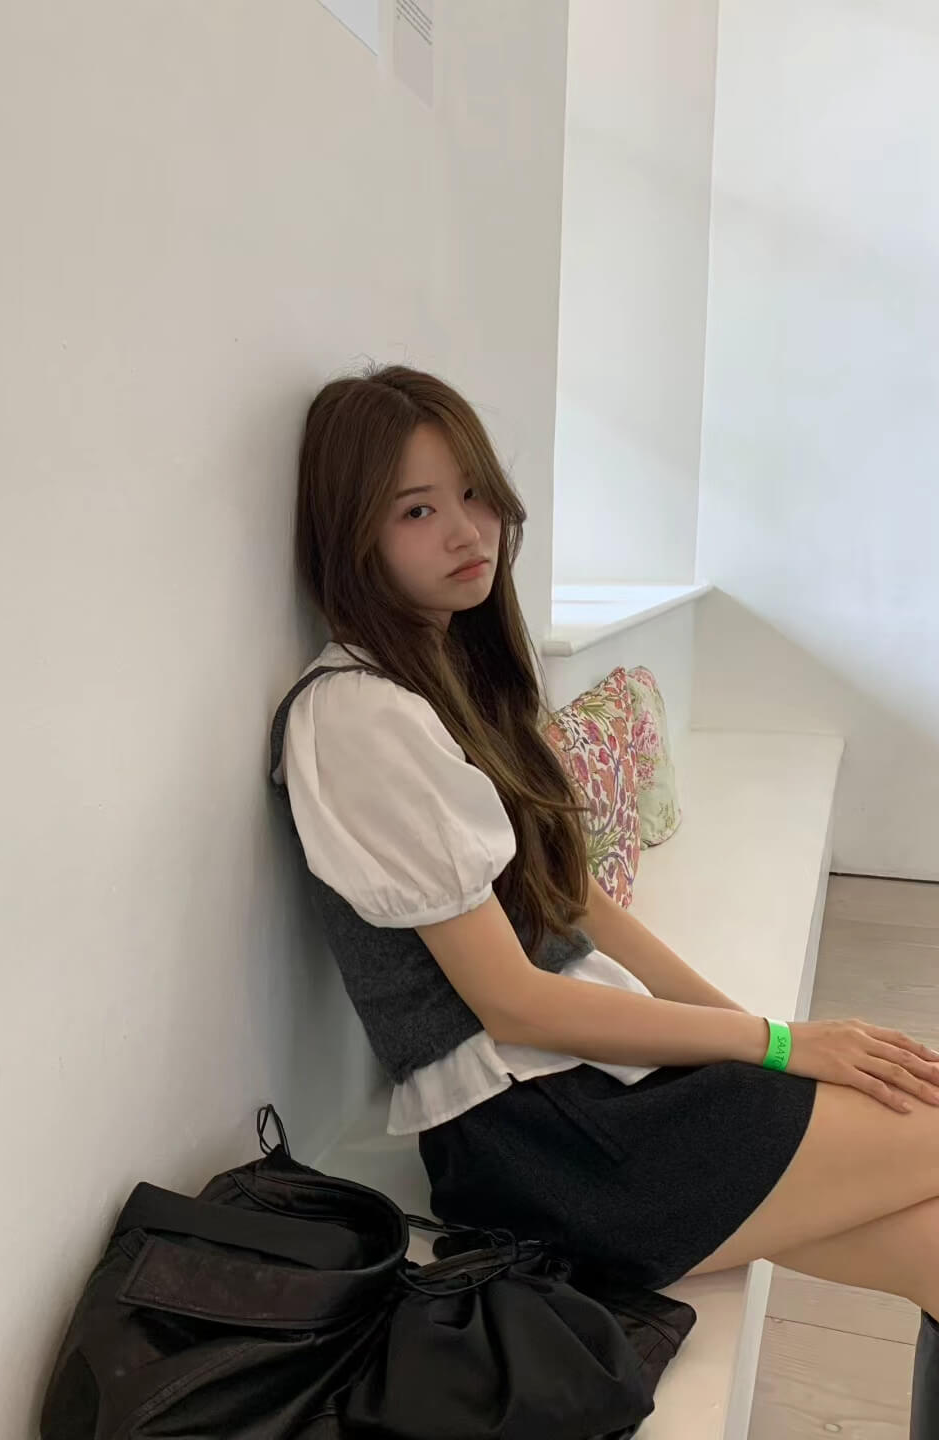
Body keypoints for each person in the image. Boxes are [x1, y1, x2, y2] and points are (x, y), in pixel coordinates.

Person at [267, 361, 939, 1432]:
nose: (466, 531)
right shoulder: (356, 716)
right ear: (352, 536)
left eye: (474, 493)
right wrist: (775, 1046)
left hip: (596, 1095)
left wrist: (756, 1038)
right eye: (416, 510)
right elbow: (515, 1003)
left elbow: (577, 901)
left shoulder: (458, 673)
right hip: (542, 1139)